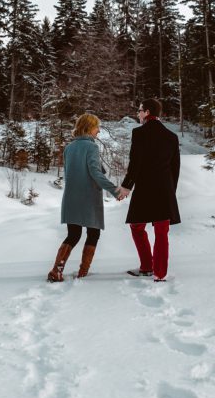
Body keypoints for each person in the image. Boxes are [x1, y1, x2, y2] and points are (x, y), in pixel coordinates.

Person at [46, 113, 120, 282]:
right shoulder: (91, 147)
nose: (98, 131)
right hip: (88, 198)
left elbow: (69, 174)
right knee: (93, 234)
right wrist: (115, 190)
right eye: (97, 127)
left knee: (73, 235)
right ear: (88, 127)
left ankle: (56, 270)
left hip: (71, 197)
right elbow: (94, 172)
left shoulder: (69, 147)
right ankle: (83, 272)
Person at [117, 98, 180, 282]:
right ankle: (160, 274)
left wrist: (126, 187)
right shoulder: (172, 136)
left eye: (139, 110)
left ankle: (146, 266)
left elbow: (135, 164)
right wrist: (170, 193)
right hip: (165, 191)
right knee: (161, 232)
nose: (138, 114)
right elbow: (175, 169)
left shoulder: (139, 133)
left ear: (147, 112)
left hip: (144, 189)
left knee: (137, 227)